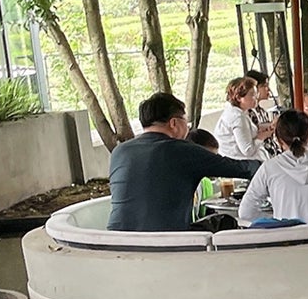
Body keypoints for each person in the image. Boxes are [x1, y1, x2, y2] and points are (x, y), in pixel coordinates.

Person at [107, 94, 258, 233]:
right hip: (167, 242)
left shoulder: (119, 152)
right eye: (187, 122)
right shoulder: (183, 150)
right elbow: (242, 169)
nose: (188, 127)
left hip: (116, 240)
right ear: (174, 123)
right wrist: (270, 166)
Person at [237, 111, 308, 226]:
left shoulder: (269, 168)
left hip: (289, 235)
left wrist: (276, 221)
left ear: (278, 140)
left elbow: (245, 212)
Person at [214, 76, 273, 162]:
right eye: (252, 95)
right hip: (242, 163)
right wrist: (262, 136)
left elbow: (248, 129)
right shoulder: (237, 118)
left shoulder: (239, 112)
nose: (256, 97)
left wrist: (270, 126)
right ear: (239, 98)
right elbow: (247, 150)